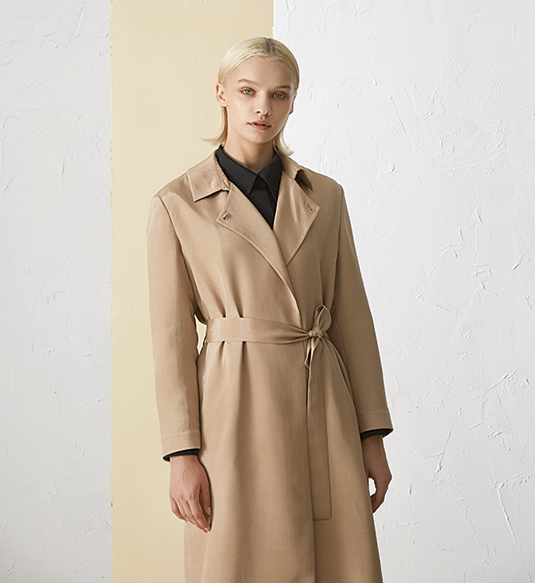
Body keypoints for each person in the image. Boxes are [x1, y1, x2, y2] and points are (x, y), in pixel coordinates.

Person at [146, 36, 393, 583]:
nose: (263, 107)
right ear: (221, 95)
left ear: (293, 102)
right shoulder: (177, 203)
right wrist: (182, 455)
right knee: (240, 559)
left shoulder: (326, 196)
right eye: (248, 91)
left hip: (322, 405)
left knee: (338, 561)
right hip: (232, 410)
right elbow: (171, 340)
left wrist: (371, 436)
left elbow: (353, 320)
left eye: (279, 94)